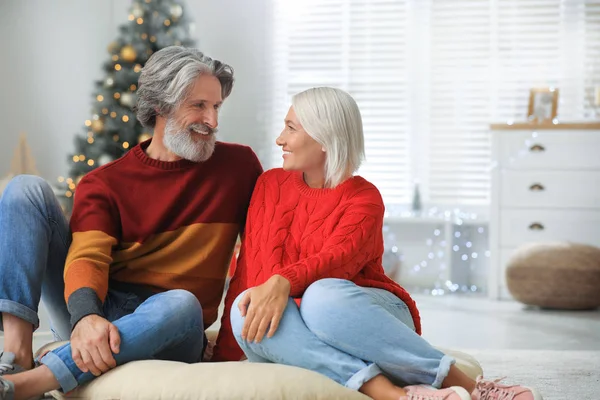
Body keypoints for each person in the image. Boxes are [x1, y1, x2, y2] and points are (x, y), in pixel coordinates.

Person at [212, 87, 542, 400]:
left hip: (360, 313)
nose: (280, 139)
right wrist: (223, 357)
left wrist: (283, 282)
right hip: (294, 325)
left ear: (325, 138)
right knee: (246, 307)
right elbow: (248, 270)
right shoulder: (269, 185)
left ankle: (473, 388)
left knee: (321, 296)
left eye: (291, 128)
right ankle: (395, 395)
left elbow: (337, 261)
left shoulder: (363, 196)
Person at [0, 46, 262, 400]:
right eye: (199, 105)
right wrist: (86, 318)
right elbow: (87, 258)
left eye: (216, 107)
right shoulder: (105, 182)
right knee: (25, 189)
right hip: (102, 309)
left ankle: (28, 384)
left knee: (181, 302)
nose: (213, 121)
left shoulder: (239, 167)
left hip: (174, 322)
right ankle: (16, 357)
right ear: (160, 106)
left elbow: (264, 243)